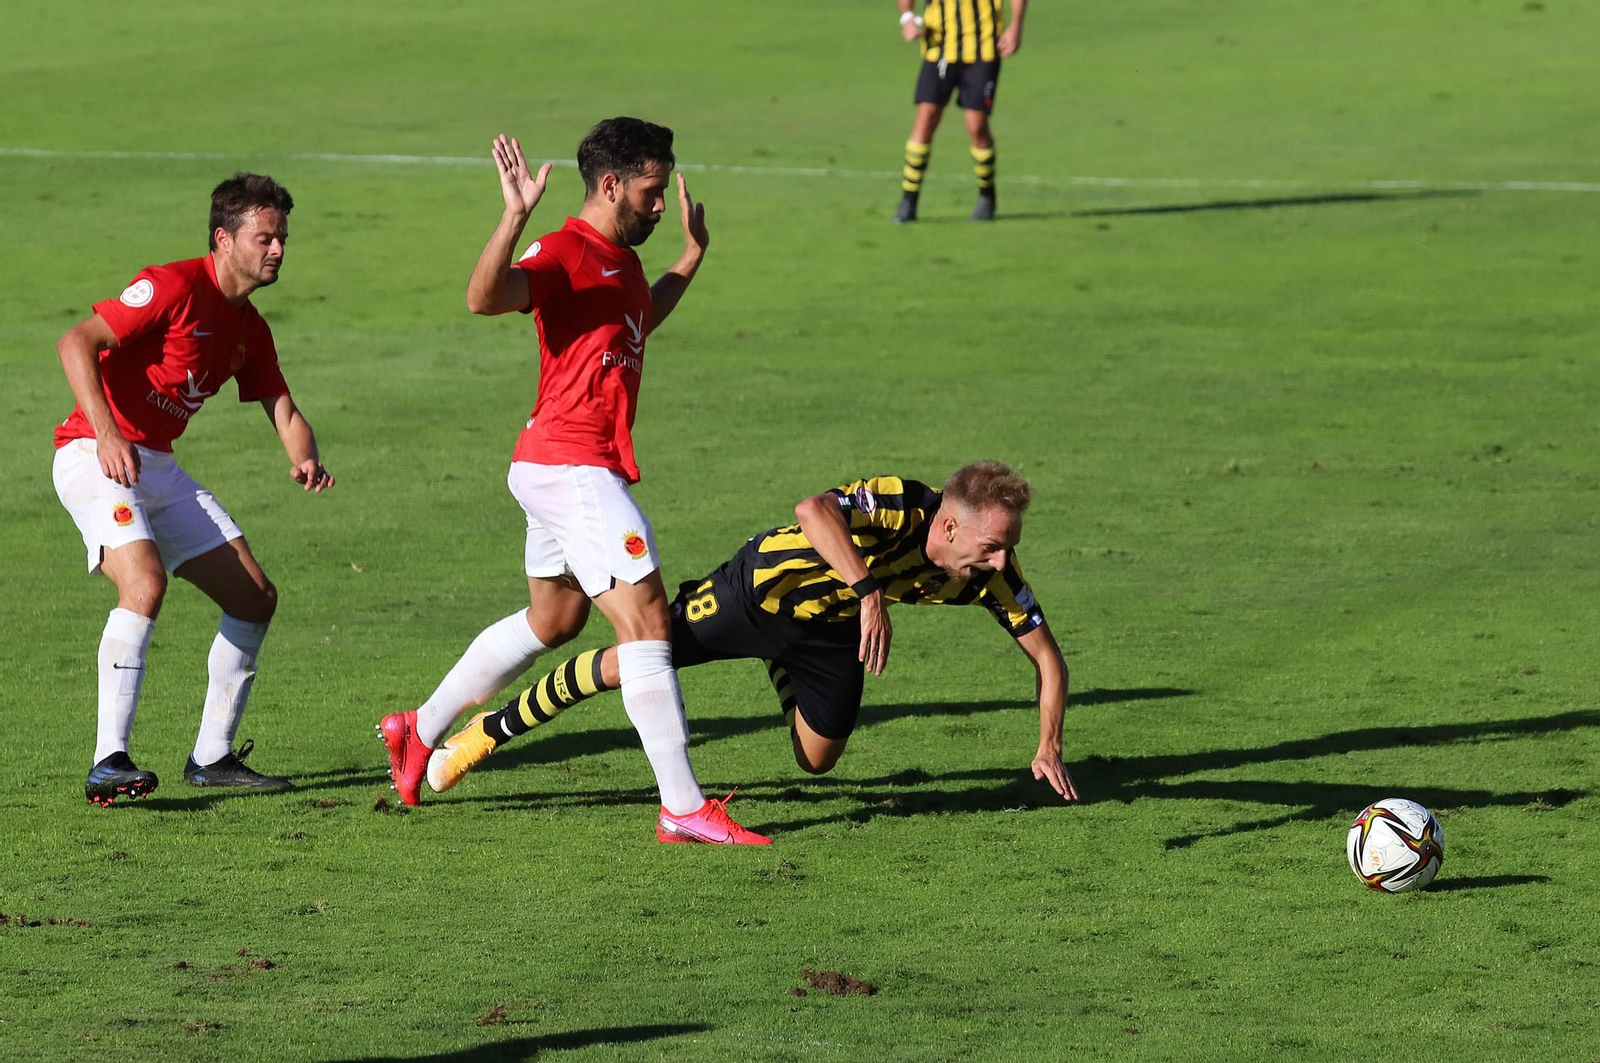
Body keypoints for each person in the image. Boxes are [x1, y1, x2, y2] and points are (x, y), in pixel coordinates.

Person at [379, 118, 767, 845]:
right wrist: (512, 217)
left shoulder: (618, 260)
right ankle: (682, 804)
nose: (660, 204)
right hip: (571, 465)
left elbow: (641, 312)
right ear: (612, 184)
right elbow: (483, 298)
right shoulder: (562, 250)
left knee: (555, 621)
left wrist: (691, 254)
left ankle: (418, 727)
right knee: (648, 618)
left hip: (554, 465)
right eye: (651, 192)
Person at [427, 462, 1080, 807]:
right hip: (758, 588)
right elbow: (813, 510)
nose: (999, 565)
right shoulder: (903, 502)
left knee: (817, 759)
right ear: (950, 528)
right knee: (633, 661)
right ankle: (487, 731)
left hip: (827, 631)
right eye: (992, 548)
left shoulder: (993, 572)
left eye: (1007, 549)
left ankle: (779, 664)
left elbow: (1048, 660)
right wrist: (868, 588)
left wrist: (1048, 745)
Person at [53, 173, 335, 807]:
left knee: (255, 597)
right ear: (223, 238)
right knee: (144, 583)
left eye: (283, 238)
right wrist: (105, 434)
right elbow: (76, 342)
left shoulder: (248, 328)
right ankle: (108, 760)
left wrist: (305, 456)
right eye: (265, 238)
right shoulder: (173, 285)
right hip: (91, 454)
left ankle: (211, 756)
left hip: (155, 465)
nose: (279, 250)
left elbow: (282, 408)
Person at [892, 0, 1029, 223]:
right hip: (939, 47)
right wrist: (906, 18)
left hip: (983, 47)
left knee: (976, 126)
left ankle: (987, 196)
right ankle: (909, 200)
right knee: (926, 116)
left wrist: (1015, 27)